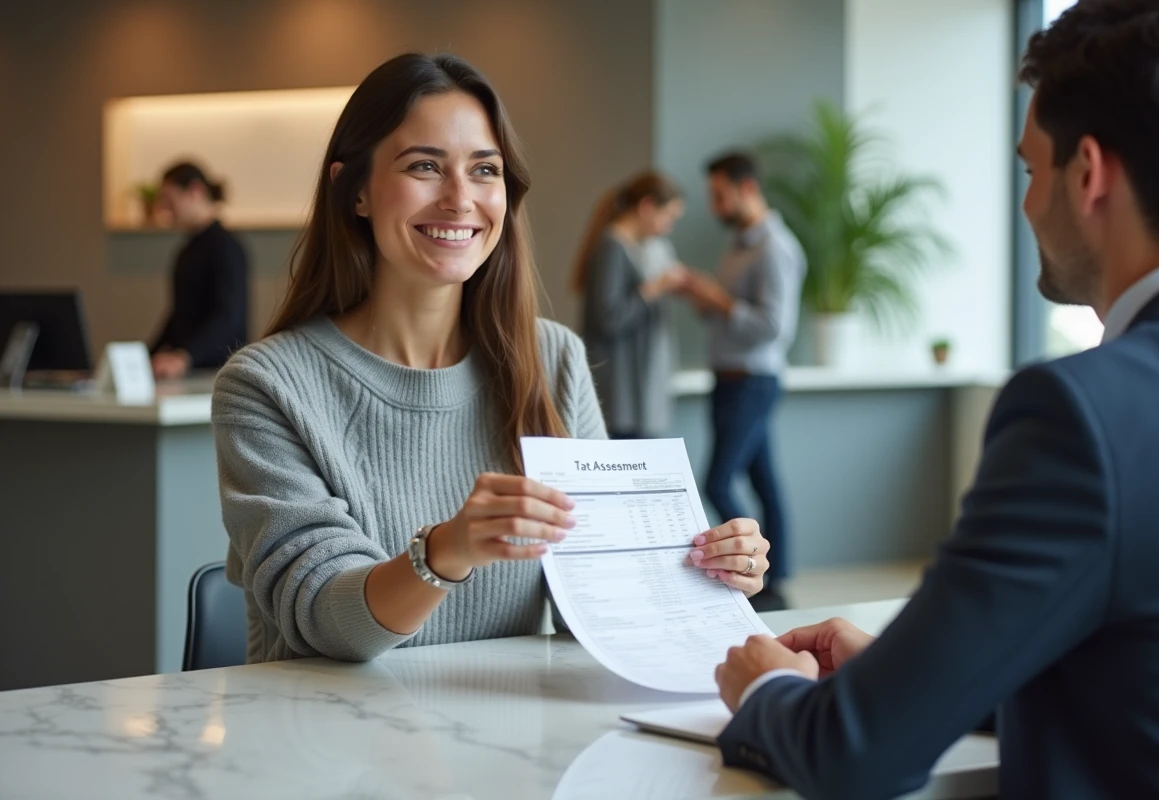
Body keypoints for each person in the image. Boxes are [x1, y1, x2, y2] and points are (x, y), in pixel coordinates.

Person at [714, 2, 1159, 796]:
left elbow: (857, 755)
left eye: (1031, 170)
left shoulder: (1079, 415)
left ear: (1089, 175)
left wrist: (768, 689)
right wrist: (920, 679)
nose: (1027, 203)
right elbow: (1158, 676)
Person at [211, 53, 771, 665]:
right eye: (424, 166)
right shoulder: (265, 385)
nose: (460, 199)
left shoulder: (553, 359)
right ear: (357, 192)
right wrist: (446, 551)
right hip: (322, 745)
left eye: (484, 170)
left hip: (501, 742)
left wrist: (704, 570)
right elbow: (326, 619)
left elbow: (603, 601)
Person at [675, 152, 805, 612]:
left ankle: (752, 571)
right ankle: (778, 580)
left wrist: (720, 301)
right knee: (764, 480)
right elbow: (731, 312)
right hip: (729, 380)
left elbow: (775, 328)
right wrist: (706, 297)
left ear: (746, 188)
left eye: (719, 195)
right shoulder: (738, 245)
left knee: (717, 481)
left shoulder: (777, 248)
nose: (714, 207)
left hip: (753, 380)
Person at [574, 171, 688, 439]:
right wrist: (654, 289)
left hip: (632, 396)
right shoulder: (612, 248)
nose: (669, 227)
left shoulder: (632, 247)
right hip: (619, 394)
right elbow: (608, 318)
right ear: (647, 207)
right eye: (668, 217)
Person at [149, 161, 249, 379]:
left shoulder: (226, 248)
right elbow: (180, 315)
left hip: (220, 375)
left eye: (170, 200)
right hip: (191, 372)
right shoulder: (187, 251)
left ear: (196, 191)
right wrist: (147, 356)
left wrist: (185, 357)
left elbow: (228, 317)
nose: (166, 211)